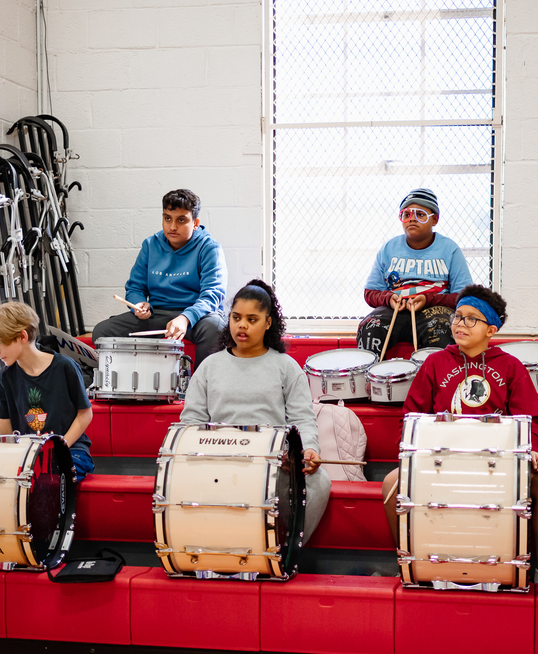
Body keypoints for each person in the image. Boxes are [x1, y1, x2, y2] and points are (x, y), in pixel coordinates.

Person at [382, 285, 538, 585]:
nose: (459, 324)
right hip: (442, 463)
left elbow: (531, 419)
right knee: (391, 483)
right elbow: (411, 418)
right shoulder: (434, 364)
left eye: (471, 319)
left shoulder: (510, 367)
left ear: (491, 329)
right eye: (458, 317)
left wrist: (531, 448)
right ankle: (413, 563)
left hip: (500, 466)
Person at [180, 280, 331, 542]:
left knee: (319, 482)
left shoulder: (287, 367)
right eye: (236, 317)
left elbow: (302, 419)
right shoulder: (208, 367)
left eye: (252, 319)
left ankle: (283, 551)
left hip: (272, 464)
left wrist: (308, 450)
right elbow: (191, 421)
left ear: (268, 322)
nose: (242, 325)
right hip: (219, 461)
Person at [0, 302, 95, 481]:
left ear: (22, 336)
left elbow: (85, 414)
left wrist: (59, 448)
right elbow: (5, 427)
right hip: (28, 454)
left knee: (50, 479)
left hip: (71, 450)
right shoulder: (4, 377)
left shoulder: (65, 367)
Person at [92, 189, 227, 369]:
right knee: (102, 331)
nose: (172, 226)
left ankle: (201, 388)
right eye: (167, 218)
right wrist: (139, 304)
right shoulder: (151, 245)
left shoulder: (210, 248)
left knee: (216, 329)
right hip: (158, 314)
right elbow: (135, 288)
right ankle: (124, 384)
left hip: (196, 317)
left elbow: (212, 294)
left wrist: (185, 318)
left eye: (181, 220)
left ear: (195, 223)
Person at [357, 188, 473, 356]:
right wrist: (389, 298)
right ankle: (371, 381)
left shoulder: (450, 249)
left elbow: (464, 296)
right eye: (406, 214)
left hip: (434, 308)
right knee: (369, 327)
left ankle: (437, 381)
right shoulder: (389, 248)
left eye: (420, 214)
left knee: (441, 328)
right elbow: (370, 292)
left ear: (435, 219)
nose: (412, 219)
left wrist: (428, 299)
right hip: (395, 309)